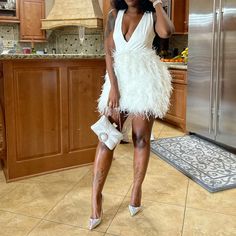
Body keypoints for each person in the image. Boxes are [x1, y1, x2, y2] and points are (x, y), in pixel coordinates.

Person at [89, 0, 174, 230]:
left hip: (145, 81)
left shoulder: (152, 15)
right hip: (119, 81)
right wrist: (114, 87)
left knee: (140, 139)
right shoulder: (114, 15)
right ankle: (96, 196)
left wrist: (157, 3)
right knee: (107, 137)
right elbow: (108, 51)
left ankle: (136, 189)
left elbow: (166, 31)